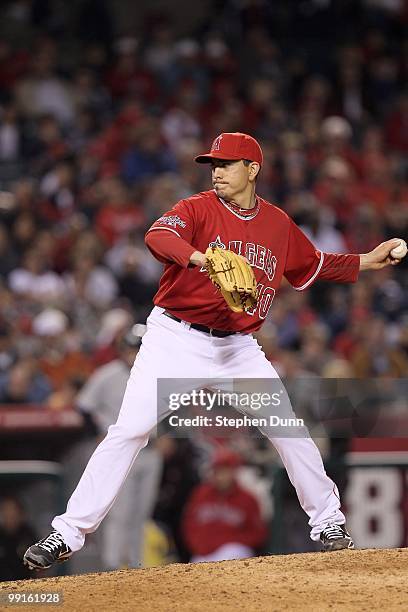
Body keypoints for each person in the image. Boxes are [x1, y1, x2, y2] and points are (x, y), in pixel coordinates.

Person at [24, 132, 404, 570]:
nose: (217, 171)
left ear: (253, 169)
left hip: (238, 349)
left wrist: (369, 260)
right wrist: (202, 259)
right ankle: (67, 534)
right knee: (128, 431)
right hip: (175, 339)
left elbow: (314, 264)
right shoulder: (196, 208)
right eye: (213, 165)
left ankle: (329, 522)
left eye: (227, 163)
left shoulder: (277, 224)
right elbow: (157, 238)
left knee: (287, 428)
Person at [73, 324, 162, 570]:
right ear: (123, 348)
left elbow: (175, 406)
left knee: (142, 514)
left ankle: (135, 567)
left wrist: (168, 436)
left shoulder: (156, 373)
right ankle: (111, 569)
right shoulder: (107, 374)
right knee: (119, 513)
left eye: (139, 347)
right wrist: (101, 432)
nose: (134, 352)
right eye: (131, 347)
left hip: (151, 451)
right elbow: (83, 406)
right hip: (123, 452)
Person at [182, 450, 268, 562]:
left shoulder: (247, 498)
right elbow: (189, 524)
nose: (221, 476)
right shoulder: (201, 494)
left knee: (229, 555)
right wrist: (199, 543)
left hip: (235, 549)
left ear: (234, 472)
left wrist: (229, 540)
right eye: (218, 471)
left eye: (225, 471)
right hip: (205, 551)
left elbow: (258, 534)